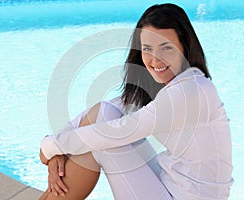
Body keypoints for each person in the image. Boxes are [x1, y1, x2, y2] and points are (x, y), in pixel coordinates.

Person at [39, 3, 233, 200]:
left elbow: (121, 130)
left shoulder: (189, 92)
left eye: (166, 48)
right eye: (147, 49)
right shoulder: (177, 83)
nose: (156, 60)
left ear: (185, 46)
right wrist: (57, 149)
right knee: (104, 115)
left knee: (103, 140)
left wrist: (52, 147)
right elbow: (109, 109)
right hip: (171, 185)